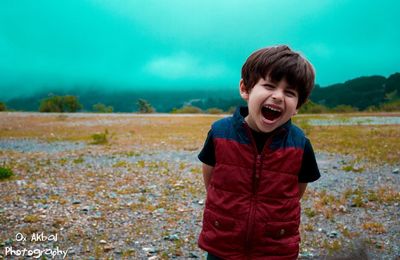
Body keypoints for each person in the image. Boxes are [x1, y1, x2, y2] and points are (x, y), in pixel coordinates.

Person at [197, 45, 320, 259]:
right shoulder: (220, 133)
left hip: (274, 246)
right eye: (269, 86)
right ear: (245, 89)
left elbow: (296, 192)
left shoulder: (300, 144)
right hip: (223, 241)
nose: (278, 97)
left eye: (289, 93)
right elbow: (211, 179)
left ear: (298, 105)